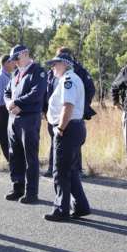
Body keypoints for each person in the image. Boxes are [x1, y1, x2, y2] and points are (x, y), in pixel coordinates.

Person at [44, 53, 90, 221]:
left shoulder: (68, 80)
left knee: (60, 172)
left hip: (68, 129)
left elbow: (68, 106)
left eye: (55, 64)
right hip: (74, 128)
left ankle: (61, 210)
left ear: (65, 64)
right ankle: (80, 206)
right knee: (69, 170)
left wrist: (61, 128)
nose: (53, 67)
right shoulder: (71, 79)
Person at [43, 47, 96, 178]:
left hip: (69, 117)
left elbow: (89, 90)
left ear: (67, 60)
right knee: (55, 143)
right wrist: (45, 109)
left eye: (58, 59)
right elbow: (46, 91)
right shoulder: (53, 73)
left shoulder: (76, 74)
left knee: (70, 147)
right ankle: (53, 167)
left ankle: (75, 169)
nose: (54, 65)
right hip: (56, 116)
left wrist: (81, 106)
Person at [4, 45, 46, 204]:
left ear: (26, 54)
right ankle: (17, 187)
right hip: (13, 118)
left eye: (16, 58)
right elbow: (7, 92)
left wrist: (17, 102)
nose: (14, 62)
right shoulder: (15, 73)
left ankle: (31, 192)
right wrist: (9, 103)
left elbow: (37, 93)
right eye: (13, 60)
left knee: (30, 157)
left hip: (29, 119)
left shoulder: (38, 71)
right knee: (14, 154)